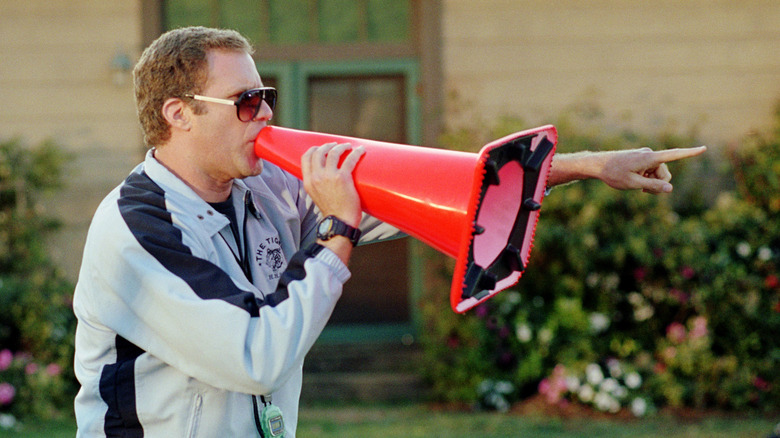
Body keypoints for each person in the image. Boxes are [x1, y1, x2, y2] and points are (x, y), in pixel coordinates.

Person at [72, 26, 706, 437]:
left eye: (264, 95)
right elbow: (255, 356)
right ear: (178, 115)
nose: (264, 111)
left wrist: (590, 167)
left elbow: (434, 190)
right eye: (244, 101)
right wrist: (337, 227)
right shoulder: (134, 227)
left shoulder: (262, 187)